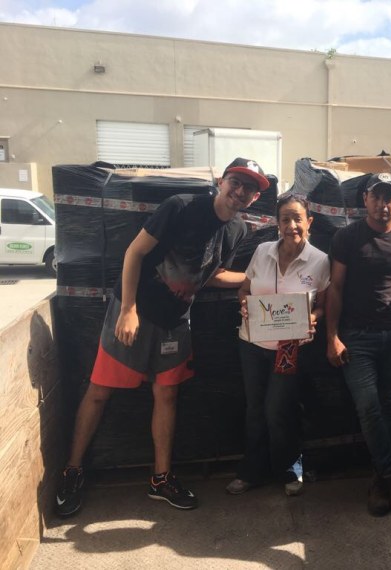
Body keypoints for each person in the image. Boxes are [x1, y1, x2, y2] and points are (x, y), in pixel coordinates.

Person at [54, 158, 269, 517]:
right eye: (237, 182)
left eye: (251, 188)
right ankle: (72, 471)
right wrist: (128, 310)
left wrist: (259, 283)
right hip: (136, 313)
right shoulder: (181, 207)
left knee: (166, 394)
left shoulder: (237, 231)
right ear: (221, 180)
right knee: (99, 391)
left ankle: (161, 479)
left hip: (176, 322)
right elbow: (134, 253)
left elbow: (212, 274)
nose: (241, 192)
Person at [326, 172, 391, 519]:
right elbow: (335, 288)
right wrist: (332, 336)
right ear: (365, 199)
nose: (382, 204)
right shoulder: (347, 237)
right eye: (376, 197)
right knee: (369, 407)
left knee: (388, 406)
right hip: (356, 337)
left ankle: (379, 480)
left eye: (390, 198)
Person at [226, 194, 330, 497]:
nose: (292, 225)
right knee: (255, 410)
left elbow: (323, 305)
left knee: (278, 411)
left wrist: (313, 317)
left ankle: (290, 469)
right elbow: (244, 290)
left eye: (298, 218)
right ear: (277, 223)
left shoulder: (320, 261)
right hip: (252, 343)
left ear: (309, 222)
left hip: (290, 347)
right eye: (285, 219)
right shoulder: (262, 252)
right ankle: (251, 472)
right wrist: (245, 305)